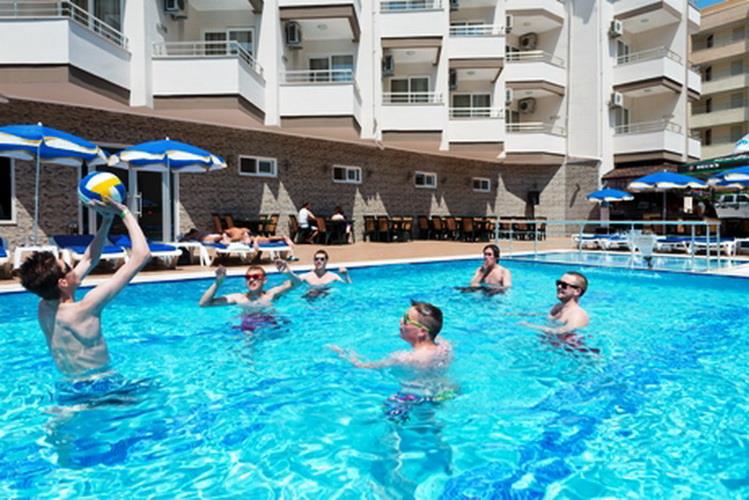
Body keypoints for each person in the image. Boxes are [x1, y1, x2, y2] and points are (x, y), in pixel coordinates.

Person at [16, 199, 151, 377]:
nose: (75, 268)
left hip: (70, 385)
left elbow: (89, 259)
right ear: (63, 283)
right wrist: (124, 212)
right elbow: (142, 255)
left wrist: (107, 221)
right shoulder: (86, 308)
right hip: (101, 385)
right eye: (69, 267)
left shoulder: (44, 306)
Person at [329, 301, 450, 370]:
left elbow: (365, 366)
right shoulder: (444, 347)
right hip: (447, 390)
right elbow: (434, 333)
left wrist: (343, 353)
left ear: (422, 332)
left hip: (416, 396)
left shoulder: (405, 358)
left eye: (406, 320)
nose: (401, 321)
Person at [521, 271, 595, 353]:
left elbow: (560, 332)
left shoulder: (578, 315)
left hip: (571, 353)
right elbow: (547, 317)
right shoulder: (558, 307)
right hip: (551, 349)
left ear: (577, 291)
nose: (559, 287)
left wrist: (528, 325)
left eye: (564, 285)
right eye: (558, 283)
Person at [199, 260, 298, 308]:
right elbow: (204, 304)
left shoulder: (271, 294)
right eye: (248, 277)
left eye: (255, 277)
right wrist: (217, 283)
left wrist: (288, 273)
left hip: (270, 325)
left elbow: (297, 284)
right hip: (248, 329)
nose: (251, 279)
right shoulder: (239, 298)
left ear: (264, 280)